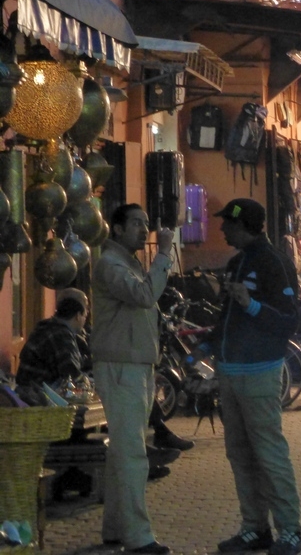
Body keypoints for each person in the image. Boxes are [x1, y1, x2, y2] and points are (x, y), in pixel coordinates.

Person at [193, 198, 301, 555]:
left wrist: (251, 304)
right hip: (230, 371)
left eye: (227, 223)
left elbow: (290, 321)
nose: (221, 229)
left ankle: (290, 531)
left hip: (260, 372)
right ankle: (255, 528)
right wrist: (205, 348)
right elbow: (228, 317)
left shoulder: (274, 263)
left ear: (244, 225)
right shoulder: (237, 263)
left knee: (269, 454)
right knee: (239, 454)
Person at [17, 288, 191, 480]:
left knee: (121, 399)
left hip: (46, 395)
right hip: (46, 400)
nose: (86, 319)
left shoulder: (53, 329)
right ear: (78, 315)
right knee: (119, 405)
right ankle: (143, 458)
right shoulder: (60, 335)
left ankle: (146, 454)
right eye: (85, 314)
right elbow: (71, 374)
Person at [91, 204, 174, 554]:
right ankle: (138, 537)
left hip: (134, 364)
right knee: (132, 454)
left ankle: (115, 528)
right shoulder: (111, 264)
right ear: (117, 229)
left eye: (145, 223)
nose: (144, 230)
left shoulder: (128, 261)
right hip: (120, 366)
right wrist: (165, 254)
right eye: (137, 224)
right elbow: (143, 295)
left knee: (122, 454)